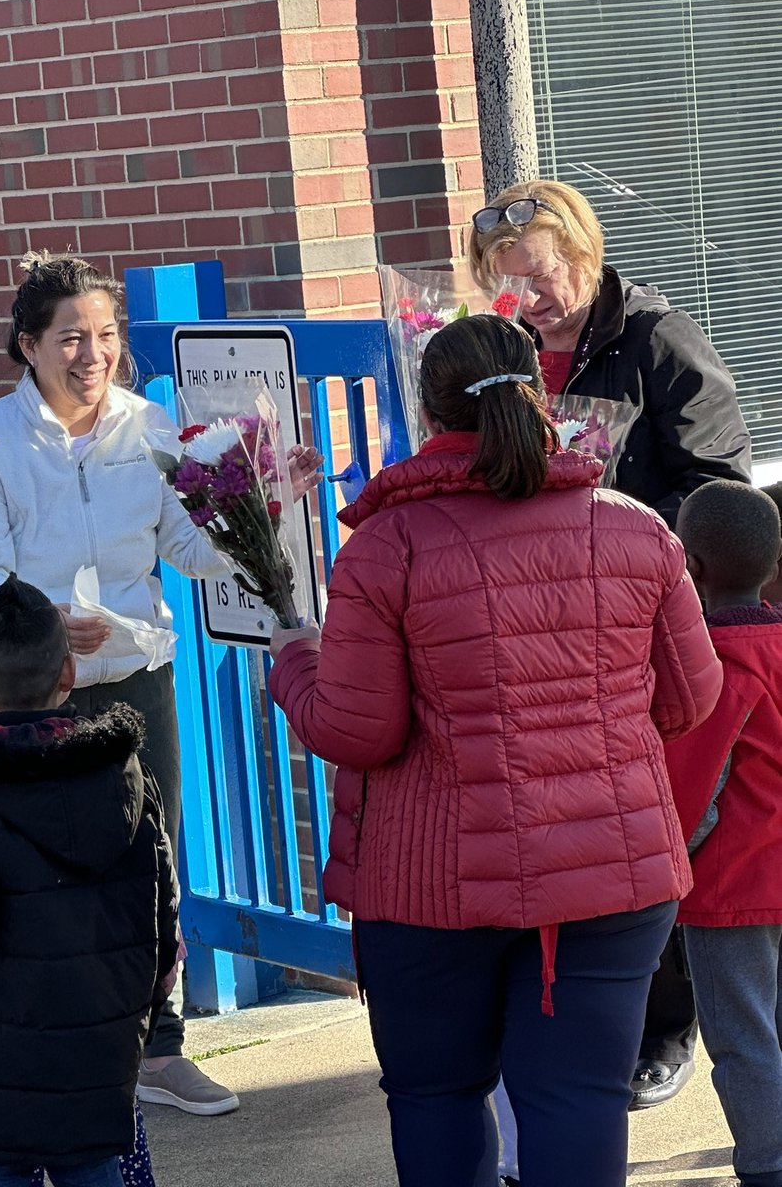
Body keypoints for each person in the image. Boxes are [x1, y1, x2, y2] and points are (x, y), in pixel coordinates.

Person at [267, 313, 722, 1187]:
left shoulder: (388, 546)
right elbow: (690, 698)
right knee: (581, 1100)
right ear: (539, 398)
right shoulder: (635, 528)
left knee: (436, 1096)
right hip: (611, 867)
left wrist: (293, 663)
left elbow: (358, 730)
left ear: (428, 412)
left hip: (432, 880)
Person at [0, 250, 322, 1117]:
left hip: (138, 680)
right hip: (34, 694)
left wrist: (262, 501)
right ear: (28, 345)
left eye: (106, 334)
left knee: (151, 869)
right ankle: (53, 1053)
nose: (94, 354)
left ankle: (159, 1048)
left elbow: (188, 548)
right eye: (71, 337)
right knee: (40, 880)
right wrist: (39, 620)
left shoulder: (148, 425)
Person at [470, 178, 752, 1109]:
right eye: (508, 284)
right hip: (544, 630)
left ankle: (668, 1027)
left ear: (585, 257)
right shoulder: (503, 352)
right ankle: (589, 1012)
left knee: (654, 822)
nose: (528, 300)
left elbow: (720, 487)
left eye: (541, 277)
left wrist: (617, 533)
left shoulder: (660, 341)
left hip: (647, 621)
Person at [0, 575, 178, 1187]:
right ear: (68, 673)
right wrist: (151, 995)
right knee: (95, 1167)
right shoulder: (123, 775)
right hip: (98, 1050)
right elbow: (159, 898)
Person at [664, 480, 782, 1187]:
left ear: (691, 566)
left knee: (745, 1041)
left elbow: (694, 797)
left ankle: (769, 1168)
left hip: (732, 887)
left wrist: (664, 867)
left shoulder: (709, 666)